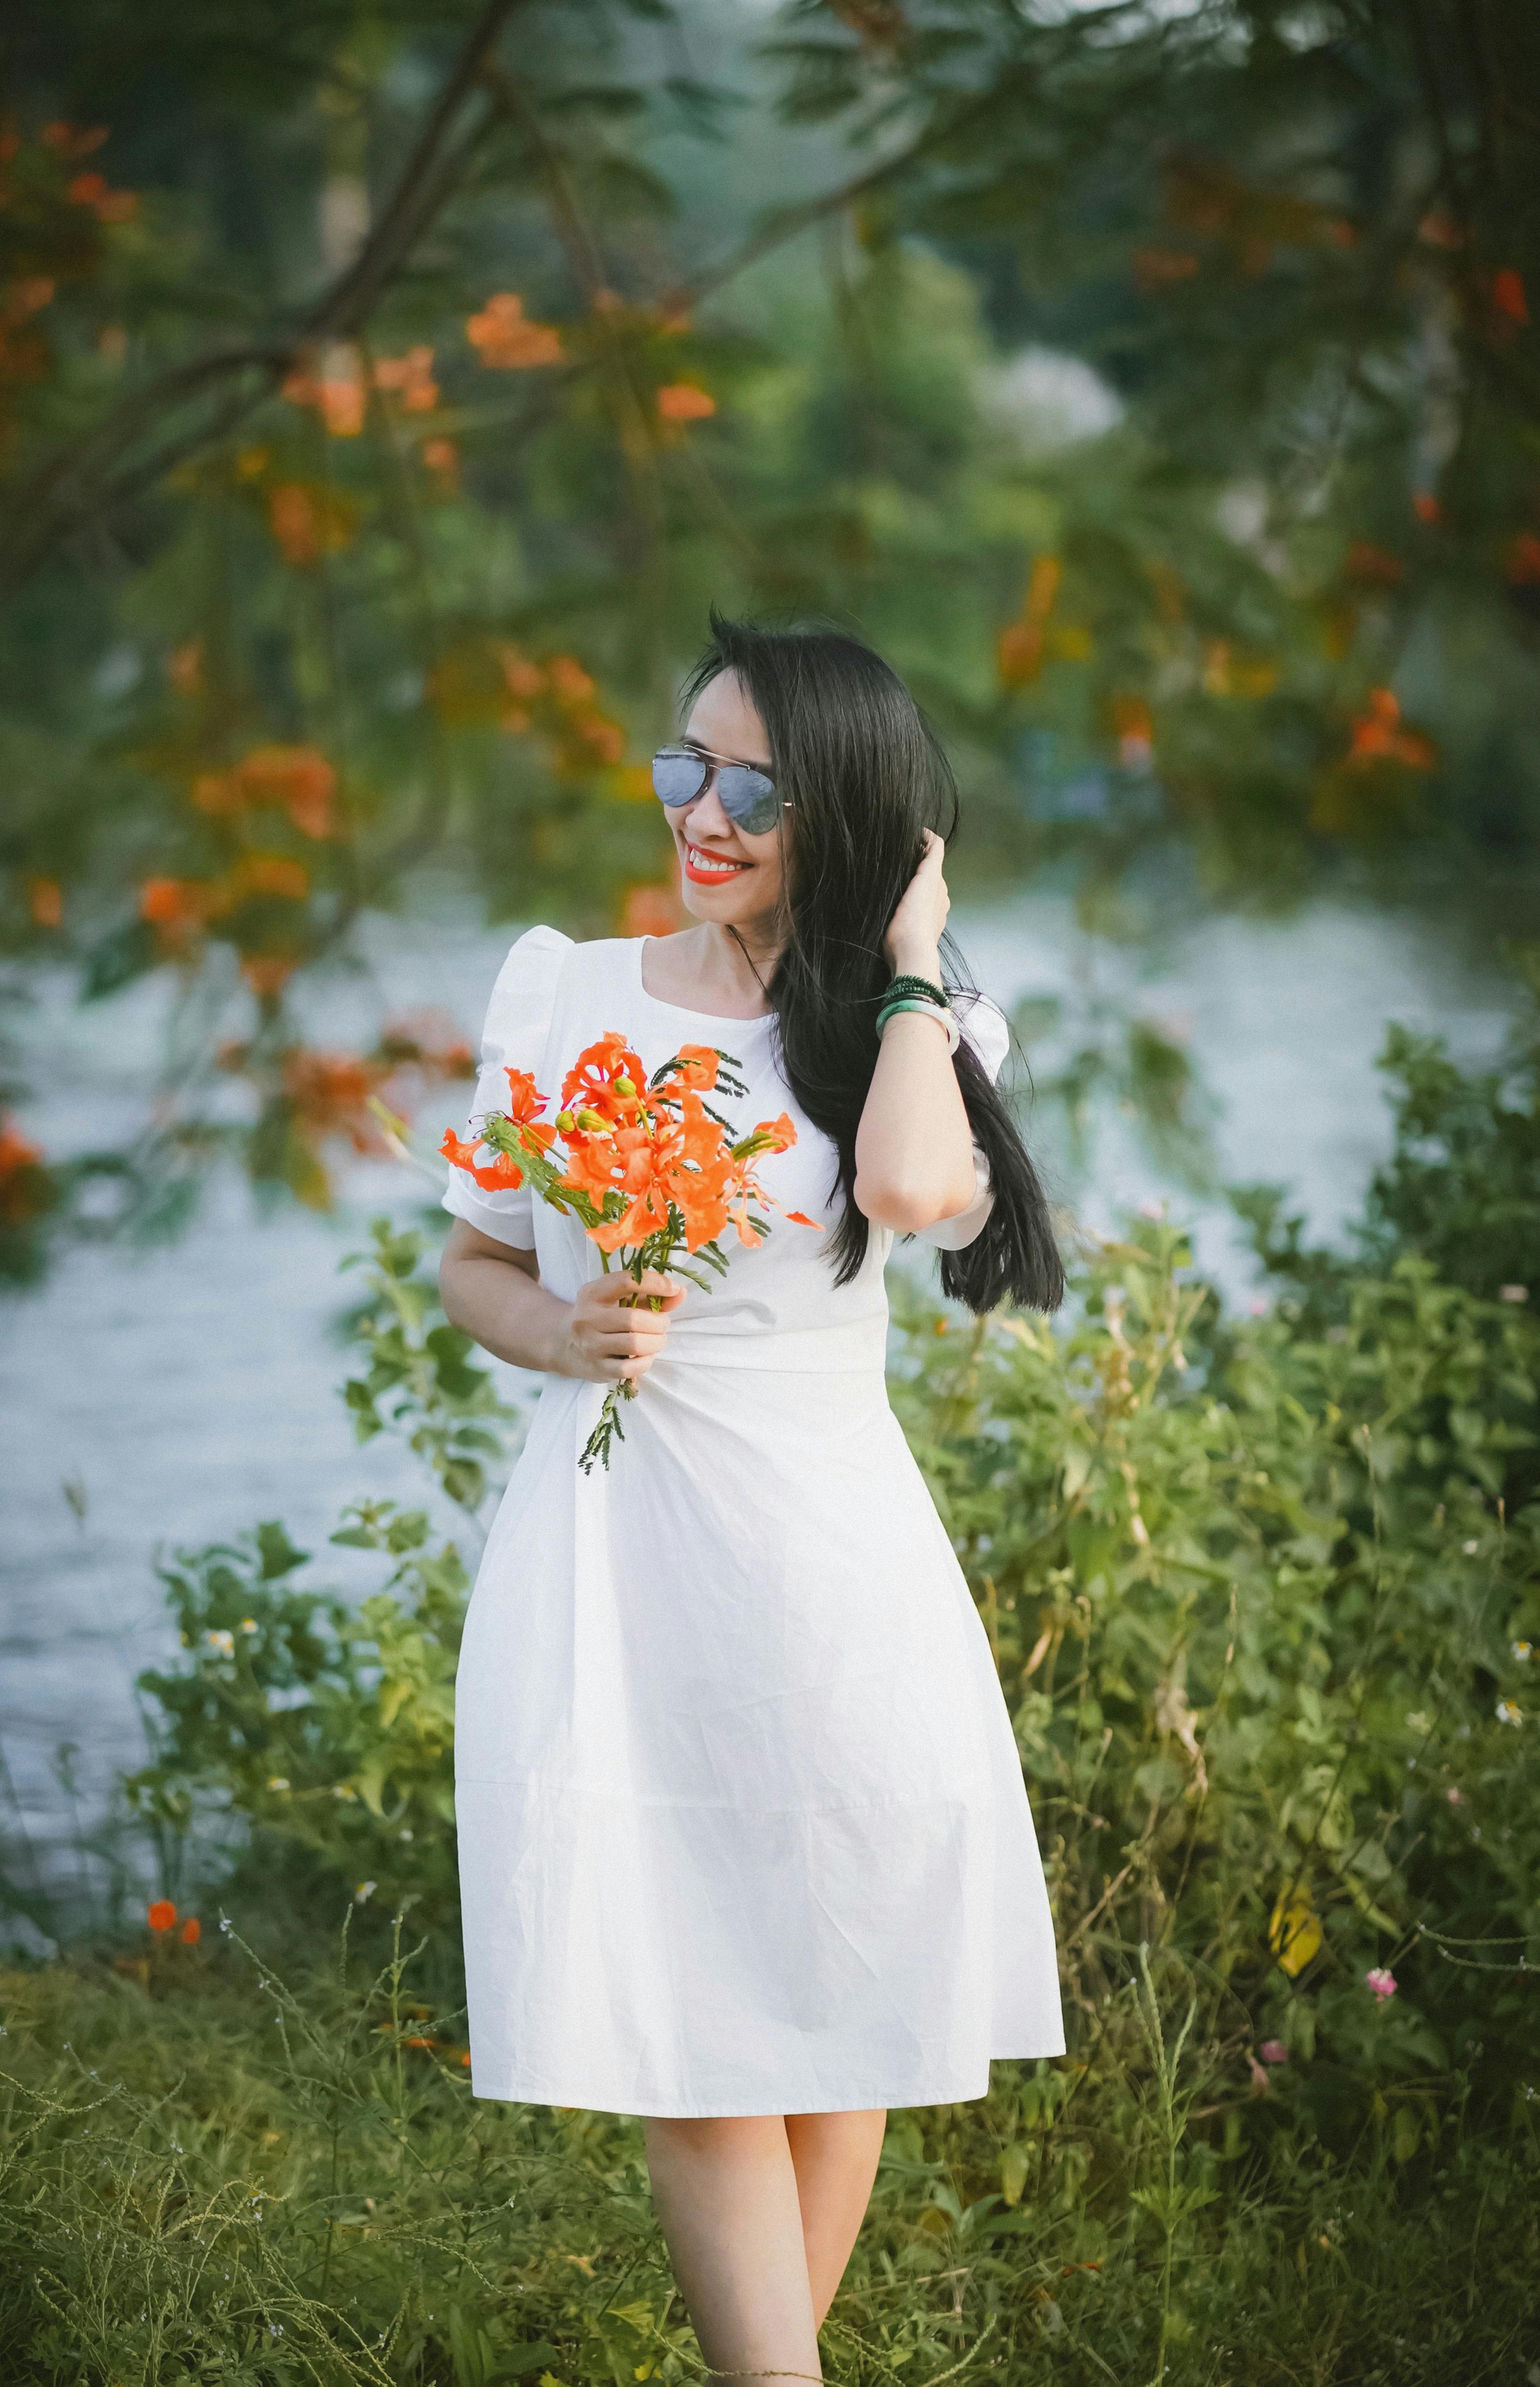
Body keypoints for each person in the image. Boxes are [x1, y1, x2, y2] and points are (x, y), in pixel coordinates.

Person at [438, 614, 1066, 2385]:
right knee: (683, 2022)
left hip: (831, 1573)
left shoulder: (918, 1033)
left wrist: (914, 963)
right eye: (682, 764)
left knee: (842, 2022)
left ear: (846, 809)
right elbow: (470, 1266)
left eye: (752, 785)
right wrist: (566, 1333)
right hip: (614, 1569)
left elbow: (913, 1189)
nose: (697, 810)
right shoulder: (562, 993)